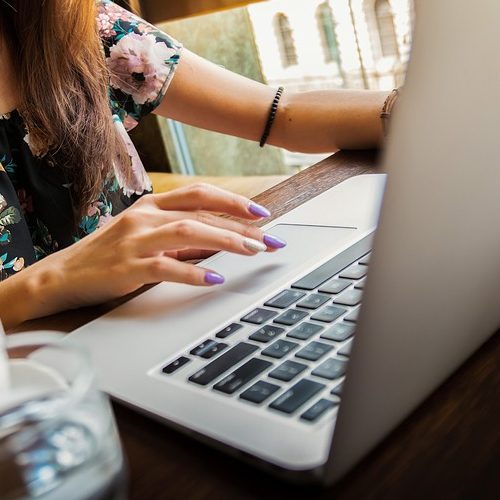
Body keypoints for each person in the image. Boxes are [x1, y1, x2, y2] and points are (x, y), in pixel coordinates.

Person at [0, 0, 393, 331]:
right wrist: (52, 280)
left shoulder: (74, 25)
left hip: (149, 320)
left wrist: (416, 110)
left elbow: (279, 113)